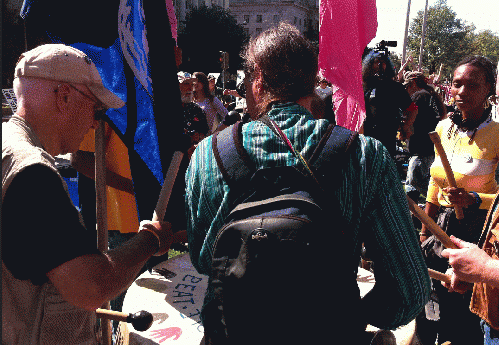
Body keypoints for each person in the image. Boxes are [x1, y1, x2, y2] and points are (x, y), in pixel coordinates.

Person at [185, 23, 430, 344]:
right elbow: (409, 290)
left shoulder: (208, 154)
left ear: (256, 78)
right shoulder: (365, 156)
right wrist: (349, 314)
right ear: (314, 81)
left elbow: (204, 260)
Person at [2, 44, 176, 344]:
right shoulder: (33, 172)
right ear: (64, 97)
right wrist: (152, 238)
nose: (95, 121)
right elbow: (92, 286)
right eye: (95, 108)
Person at [418, 55, 499, 345]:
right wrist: (425, 231)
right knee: (432, 302)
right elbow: (433, 182)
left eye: (473, 85)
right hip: (441, 227)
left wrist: (474, 199)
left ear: (489, 88)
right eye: (457, 84)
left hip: (476, 233)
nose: (462, 92)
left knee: (463, 309)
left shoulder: (497, 134)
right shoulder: (443, 129)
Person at [362, 50, 418, 158]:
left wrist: (406, 126)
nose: (379, 65)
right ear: (369, 64)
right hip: (365, 139)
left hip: (387, 139)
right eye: (376, 62)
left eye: (383, 62)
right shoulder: (364, 86)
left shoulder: (395, 87)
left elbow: (413, 109)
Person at [404, 71, 447, 201]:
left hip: (421, 147)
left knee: (413, 182)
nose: (408, 89)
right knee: (413, 185)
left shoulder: (418, 96)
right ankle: (414, 212)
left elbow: (409, 117)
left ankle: (439, 200)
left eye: (409, 85)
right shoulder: (433, 96)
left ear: (414, 82)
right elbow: (442, 117)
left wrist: (404, 127)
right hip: (431, 146)